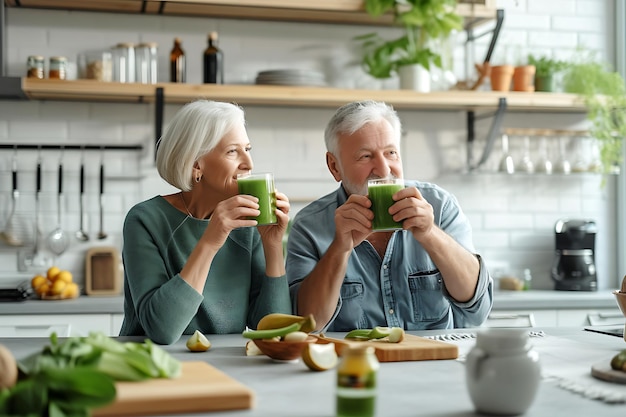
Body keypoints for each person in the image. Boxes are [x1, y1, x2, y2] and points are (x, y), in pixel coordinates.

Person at [286, 100, 493, 332]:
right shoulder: (309, 225)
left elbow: (477, 309)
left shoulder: (440, 205)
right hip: (356, 363)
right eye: (365, 156)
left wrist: (429, 233)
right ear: (334, 166)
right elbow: (307, 325)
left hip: (433, 360)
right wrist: (340, 248)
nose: (384, 169)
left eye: (391, 153)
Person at [120, 100, 292, 344]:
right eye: (233, 151)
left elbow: (275, 333)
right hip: (153, 364)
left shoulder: (247, 225)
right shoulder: (145, 220)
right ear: (196, 164)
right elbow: (162, 330)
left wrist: (273, 245)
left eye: (248, 149)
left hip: (223, 365)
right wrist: (211, 239)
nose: (249, 164)